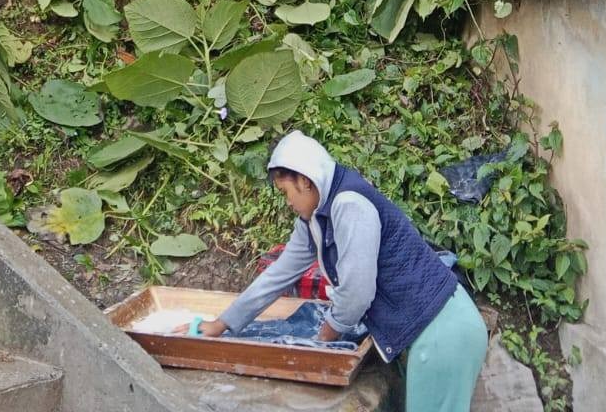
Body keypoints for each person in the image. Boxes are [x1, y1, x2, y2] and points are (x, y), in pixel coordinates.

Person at [199, 131, 487, 412]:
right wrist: (223, 324)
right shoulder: (314, 218)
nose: (287, 202)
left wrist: (323, 339)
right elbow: (278, 275)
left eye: (286, 192)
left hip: (443, 333)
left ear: (305, 180)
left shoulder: (349, 205)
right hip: (435, 330)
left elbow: (356, 293)